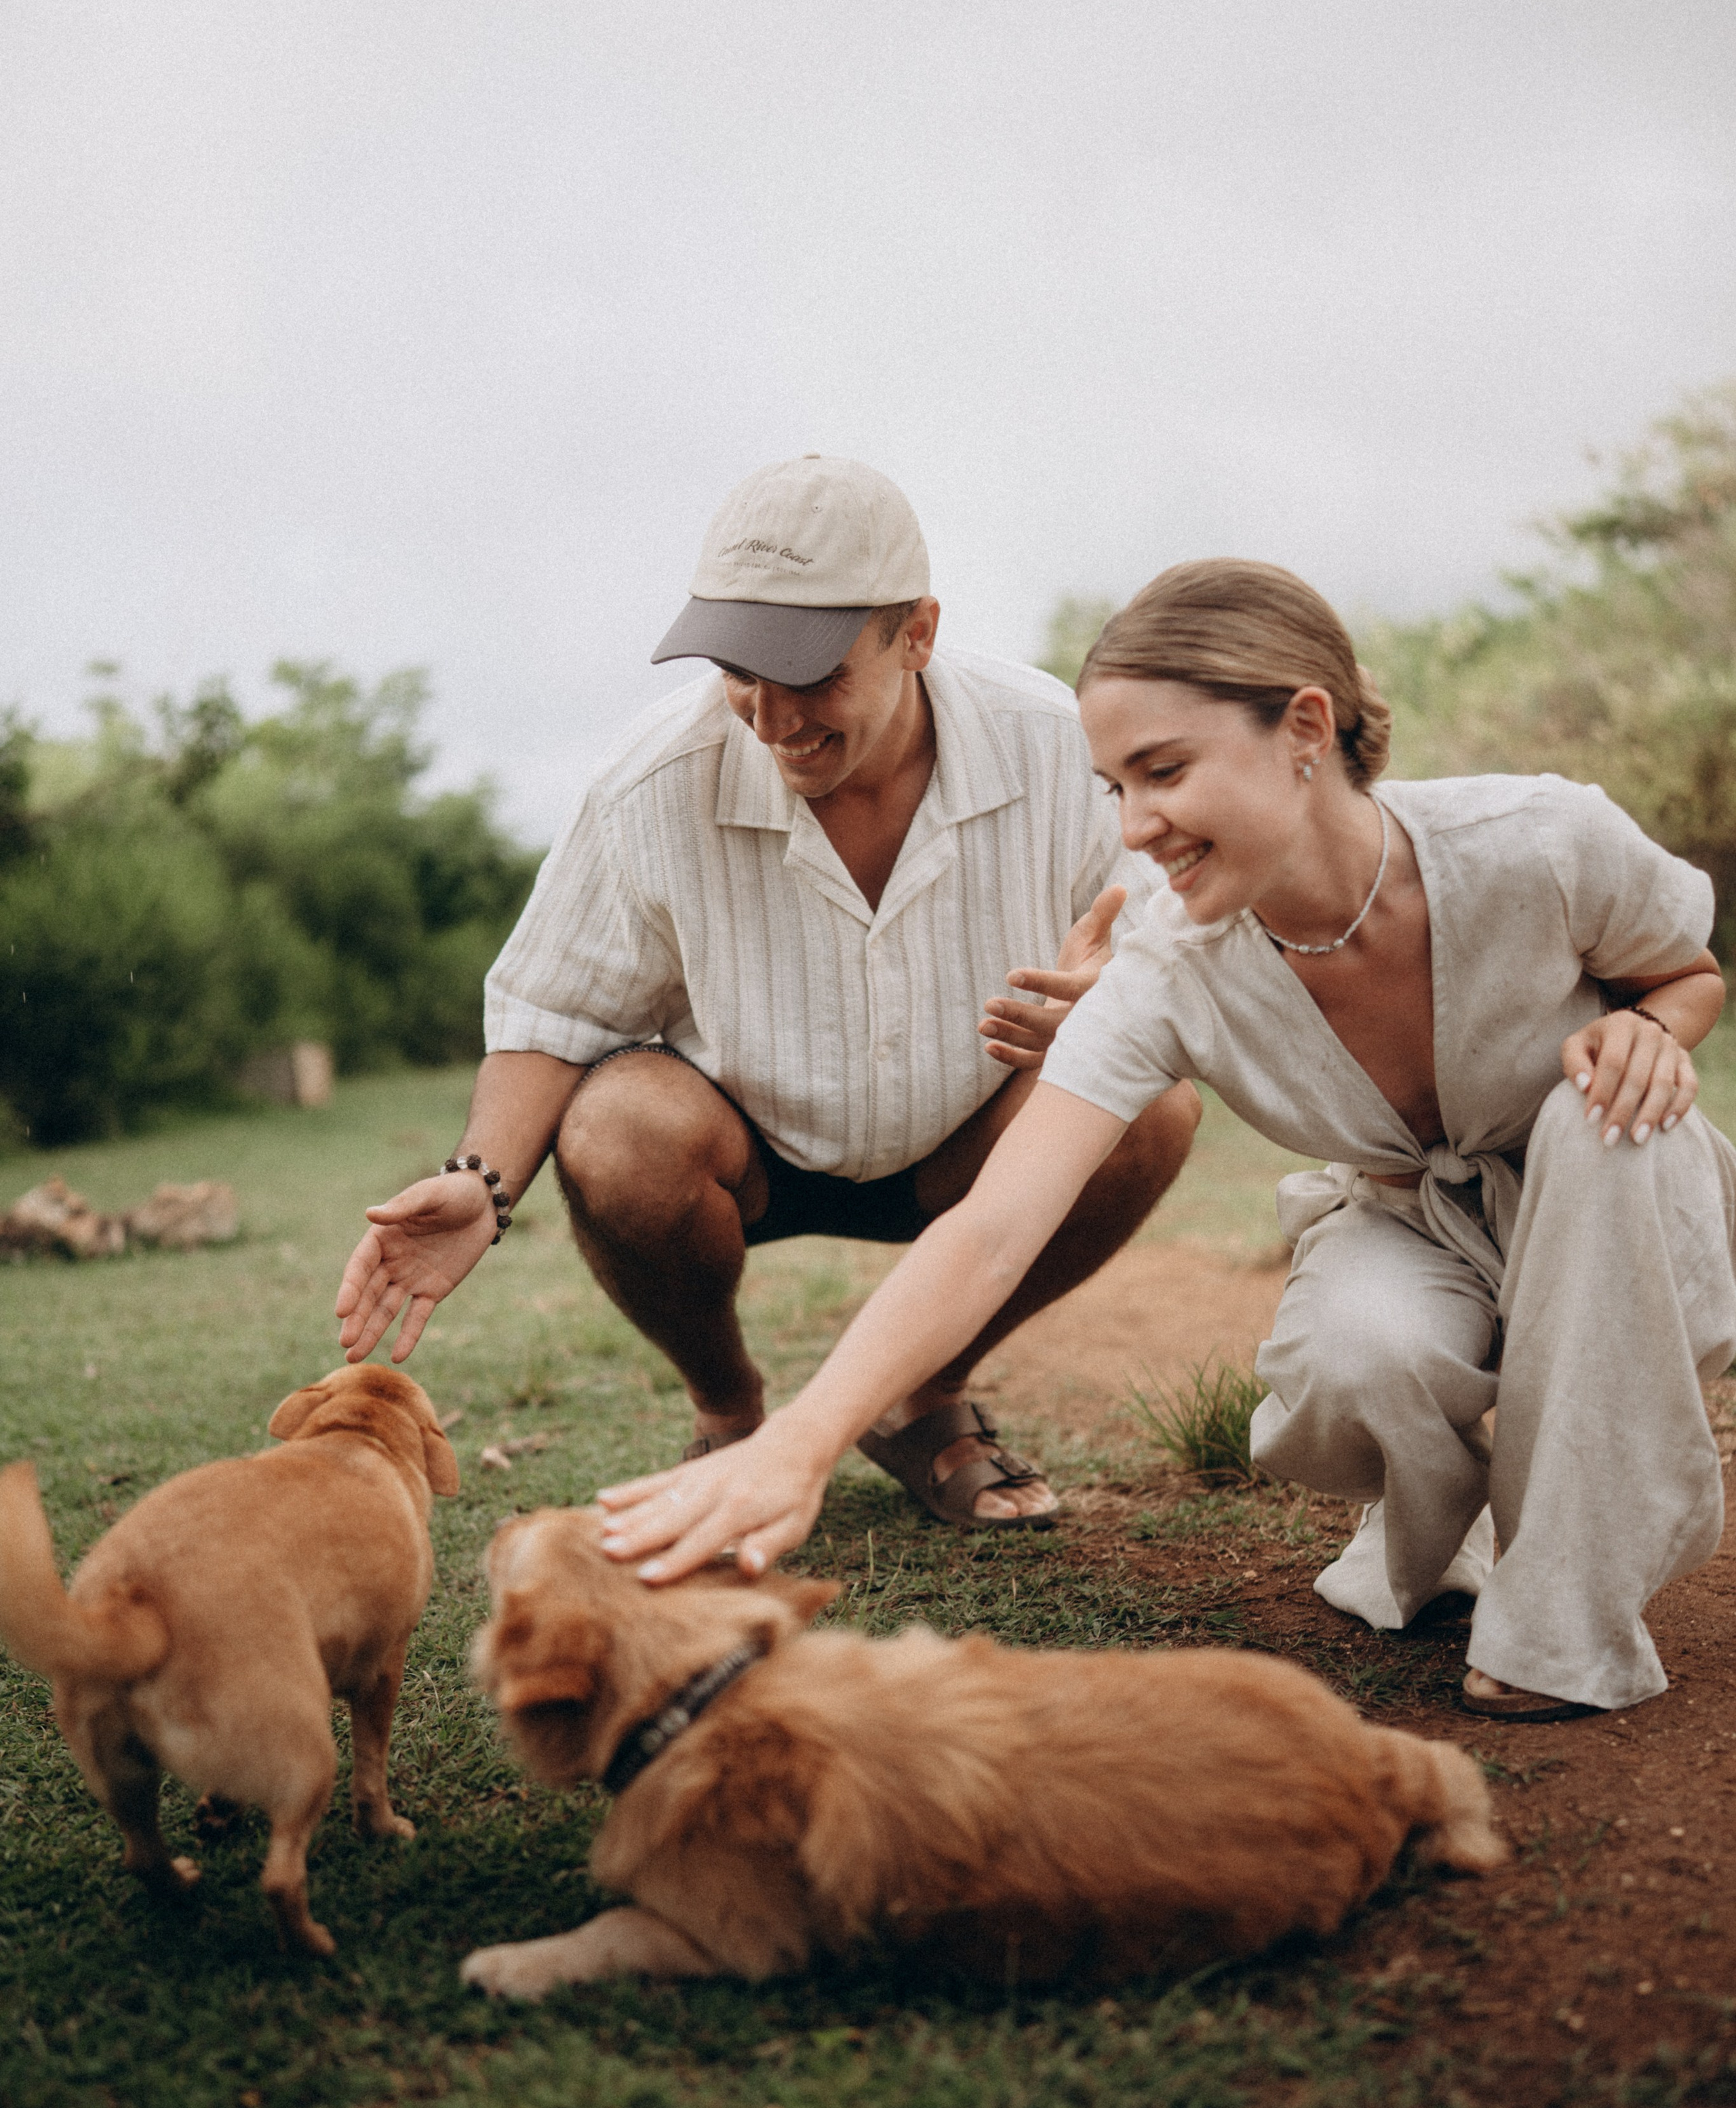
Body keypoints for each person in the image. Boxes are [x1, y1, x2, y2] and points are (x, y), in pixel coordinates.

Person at [594, 558, 1735, 1726]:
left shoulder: (1537, 839)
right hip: (1417, 1220)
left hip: (1618, 1201)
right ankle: (1457, 1519)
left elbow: (1688, 970)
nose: (1138, 829)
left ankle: (1562, 1616)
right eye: (1115, 788)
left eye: (1166, 772)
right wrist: (804, 1440)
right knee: (1354, 1360)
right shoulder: (1167, 964)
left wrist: (1652, 1027)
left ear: (1305, 726)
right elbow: (991, 1229)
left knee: (1598, 1122)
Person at [334, 456, 1200, 1524]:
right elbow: (550, 1014)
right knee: (616, 1128)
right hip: (744, 1154)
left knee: (1150, 1104)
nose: (772, 712)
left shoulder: (1057, 742)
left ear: (917, 633)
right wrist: (480, 1180)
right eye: (742, 667)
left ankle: (921, 1398)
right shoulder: (654, 781)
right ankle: (729, 1410)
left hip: (979, 1140)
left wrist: (1110, 998)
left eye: (813, 671)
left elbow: (1175, 940)